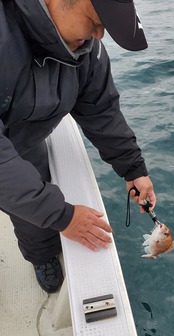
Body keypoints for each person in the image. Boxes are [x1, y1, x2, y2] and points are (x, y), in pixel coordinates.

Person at [0, 0, 156, 293]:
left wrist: (133, 168)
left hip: (24, 138)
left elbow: (101, 111)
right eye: (96, 22)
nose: (99, 36)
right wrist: (64, 216)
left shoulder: (86, 50)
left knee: (33, 209)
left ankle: (42, 255)